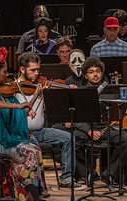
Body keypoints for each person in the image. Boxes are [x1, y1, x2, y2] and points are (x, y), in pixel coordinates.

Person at [0, 56, 46, 201]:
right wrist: (15, 106)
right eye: (4, 72)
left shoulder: (4, 91)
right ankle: (25, 197)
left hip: (5, 137)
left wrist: (34, 96)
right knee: (29, 154)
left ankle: (36, 194)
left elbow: (23, 110)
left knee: (36, 150)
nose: (7, 75)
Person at [54, 57, 127, 183]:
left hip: (105, 127)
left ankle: (109, 174)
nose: (95, 74)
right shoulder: (79, 92)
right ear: (85, 75)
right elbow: (76, 117)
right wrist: (89, 131)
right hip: (85, 128)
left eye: (98, 71)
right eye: (91, 72)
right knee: (71, 140)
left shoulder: (109, 90)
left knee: (126, 139)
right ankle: (89, 172)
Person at [14, 52, 79, 188]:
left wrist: (67, 89)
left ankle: (67, 178)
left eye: (38, 69)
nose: (36, 73)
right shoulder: (14, 88)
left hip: (40, 130)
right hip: (23, 132)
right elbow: (13, 113)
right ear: (22, 69)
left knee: (69, 138)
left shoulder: (40, 85)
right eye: (32, 70)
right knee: (35, 146)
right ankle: (39, 184)